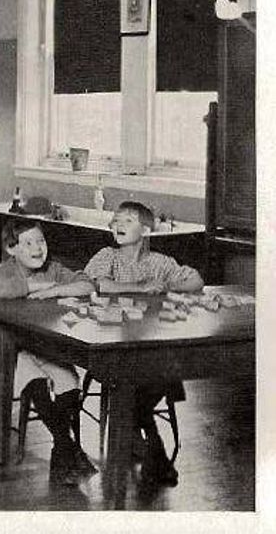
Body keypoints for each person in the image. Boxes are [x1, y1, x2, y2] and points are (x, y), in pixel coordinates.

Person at [84, 200, 204, 488]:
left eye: (127, 220)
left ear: (146, 229)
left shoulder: (160, 262)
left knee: (159, 369)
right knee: (136, 384)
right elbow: (101, 286)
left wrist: (167, 286)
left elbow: (196, 281)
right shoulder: (107, 255)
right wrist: (140, 288)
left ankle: (143, 441)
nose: (118, 225)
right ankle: (154, 449)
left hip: (149, 346)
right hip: (112, 344)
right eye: (115, 221)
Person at [0, 219, 97, 486]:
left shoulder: (54, 269)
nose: (37, 248)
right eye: (28, 243)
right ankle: (67, 447)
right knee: (35, 382)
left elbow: (87, 285)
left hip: (43, 346)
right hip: (4, 350)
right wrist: (40, 288)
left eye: (41, 241)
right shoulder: (1, 272)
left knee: (70, 383)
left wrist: (56, 289)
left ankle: (60, 450)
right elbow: (4, 291)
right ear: (11, 249)